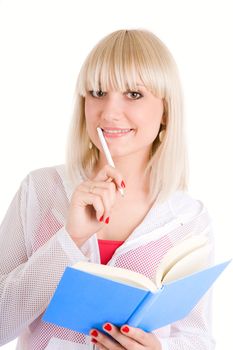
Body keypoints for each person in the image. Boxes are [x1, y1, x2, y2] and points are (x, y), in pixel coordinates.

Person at [0, 29, 215, 350]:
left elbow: (198, 338)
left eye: (134, 94)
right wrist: (69, 239)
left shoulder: (188, 219)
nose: (109, 112)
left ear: (166, 111)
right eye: (98, 92)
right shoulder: (41, 190)